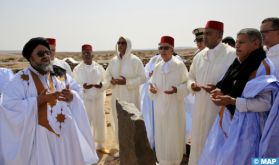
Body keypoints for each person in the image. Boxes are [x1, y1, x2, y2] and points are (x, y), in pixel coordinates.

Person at [0, 37, 98, 165]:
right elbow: (8, 106)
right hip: (40, 141)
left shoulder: (60, 73)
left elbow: (77, 90)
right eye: (40, 54)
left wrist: (72, 96)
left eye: (47, 52)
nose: (46, 56)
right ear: (30, 57)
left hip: (66, 134)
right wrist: (37, 101)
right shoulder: (20, 80)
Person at [199, 28, 278, 165]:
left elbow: (266, 103)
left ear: (255, 44)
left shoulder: (262, 66)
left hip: (249, 129)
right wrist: (218, 91)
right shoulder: (238, 63)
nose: (237, 45)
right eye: (236, 42)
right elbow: (226, 85)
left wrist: (233, 101)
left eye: (242, 42)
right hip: (228, 122)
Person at [187, 20, 236, 165]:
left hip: (219, 110)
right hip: (200, 107)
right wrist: (192, 85)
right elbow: (190, 76)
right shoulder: (199, 56)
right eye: (204, 34)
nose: (204, 37)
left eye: (208, 34)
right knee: (198, 143)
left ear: (220, 35)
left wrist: (219, 88)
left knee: (215, 144)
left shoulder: (231, 54)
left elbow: (237, 81)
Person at [149, 36, 188, 165]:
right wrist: (152, 89)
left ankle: (175, 161)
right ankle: (162, 160)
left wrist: (177, 90)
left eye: (166, 48)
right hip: (159, 106)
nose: (163, 50)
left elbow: (187, 84)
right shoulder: (157, 66)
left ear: (172, 50)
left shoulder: (179, 65)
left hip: (174, 107)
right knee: (161, 133)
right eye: (160, 48)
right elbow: (152, 83)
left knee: (174, 133)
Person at [104, 36, 146, 156]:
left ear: (128, 45)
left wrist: (127, 82)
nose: (120, 45)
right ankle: (121, 149)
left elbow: (143, 78)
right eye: (119, 42)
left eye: (123, 43)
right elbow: (107, 75)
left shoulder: (135, 60)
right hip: (116, 96)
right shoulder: (113, 61)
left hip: (131, 98)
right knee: (118, 122)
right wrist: (110, 81)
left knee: (131, 123)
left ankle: (134, 150)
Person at [73, 44, 107, 152]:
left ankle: (100, 145)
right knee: (86, 122)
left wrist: (101, 85)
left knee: (99, 121)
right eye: (84, 53)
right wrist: (83, 87)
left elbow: (106, 80)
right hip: (85, 101)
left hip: (98, 99)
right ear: (82, 55)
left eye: (89, 53)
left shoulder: (99, 68)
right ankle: (87, 147)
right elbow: (74, 84)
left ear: (92, 55)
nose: (87, 55)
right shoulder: (77, 69)